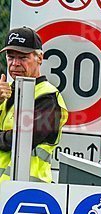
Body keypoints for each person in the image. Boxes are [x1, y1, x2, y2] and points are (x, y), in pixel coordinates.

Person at [0, 27, 68, 184]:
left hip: (29, 191)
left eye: (23, 58)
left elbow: (23, 139)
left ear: (40, 58)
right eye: (11, 57)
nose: (15, 64)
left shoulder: (48, 97)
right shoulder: (6, 92)